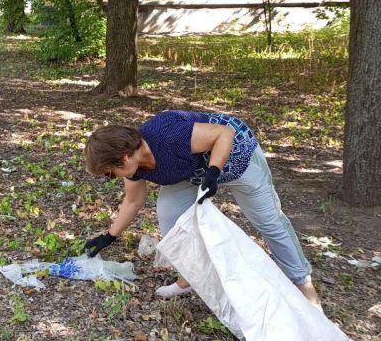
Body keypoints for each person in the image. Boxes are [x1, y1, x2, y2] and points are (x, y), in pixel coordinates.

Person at [83, 110, 321, 307]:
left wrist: (214, 172)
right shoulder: (135, 167)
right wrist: (109, 236)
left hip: (237, 156)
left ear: (123, 158)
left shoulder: (167, 135)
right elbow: (133, 201)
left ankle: (304, 285)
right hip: (192, 170)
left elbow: (223, 133)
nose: (110, 178)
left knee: (269, 223)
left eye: (109, 174)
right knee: (169, 214)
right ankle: (187, 279)